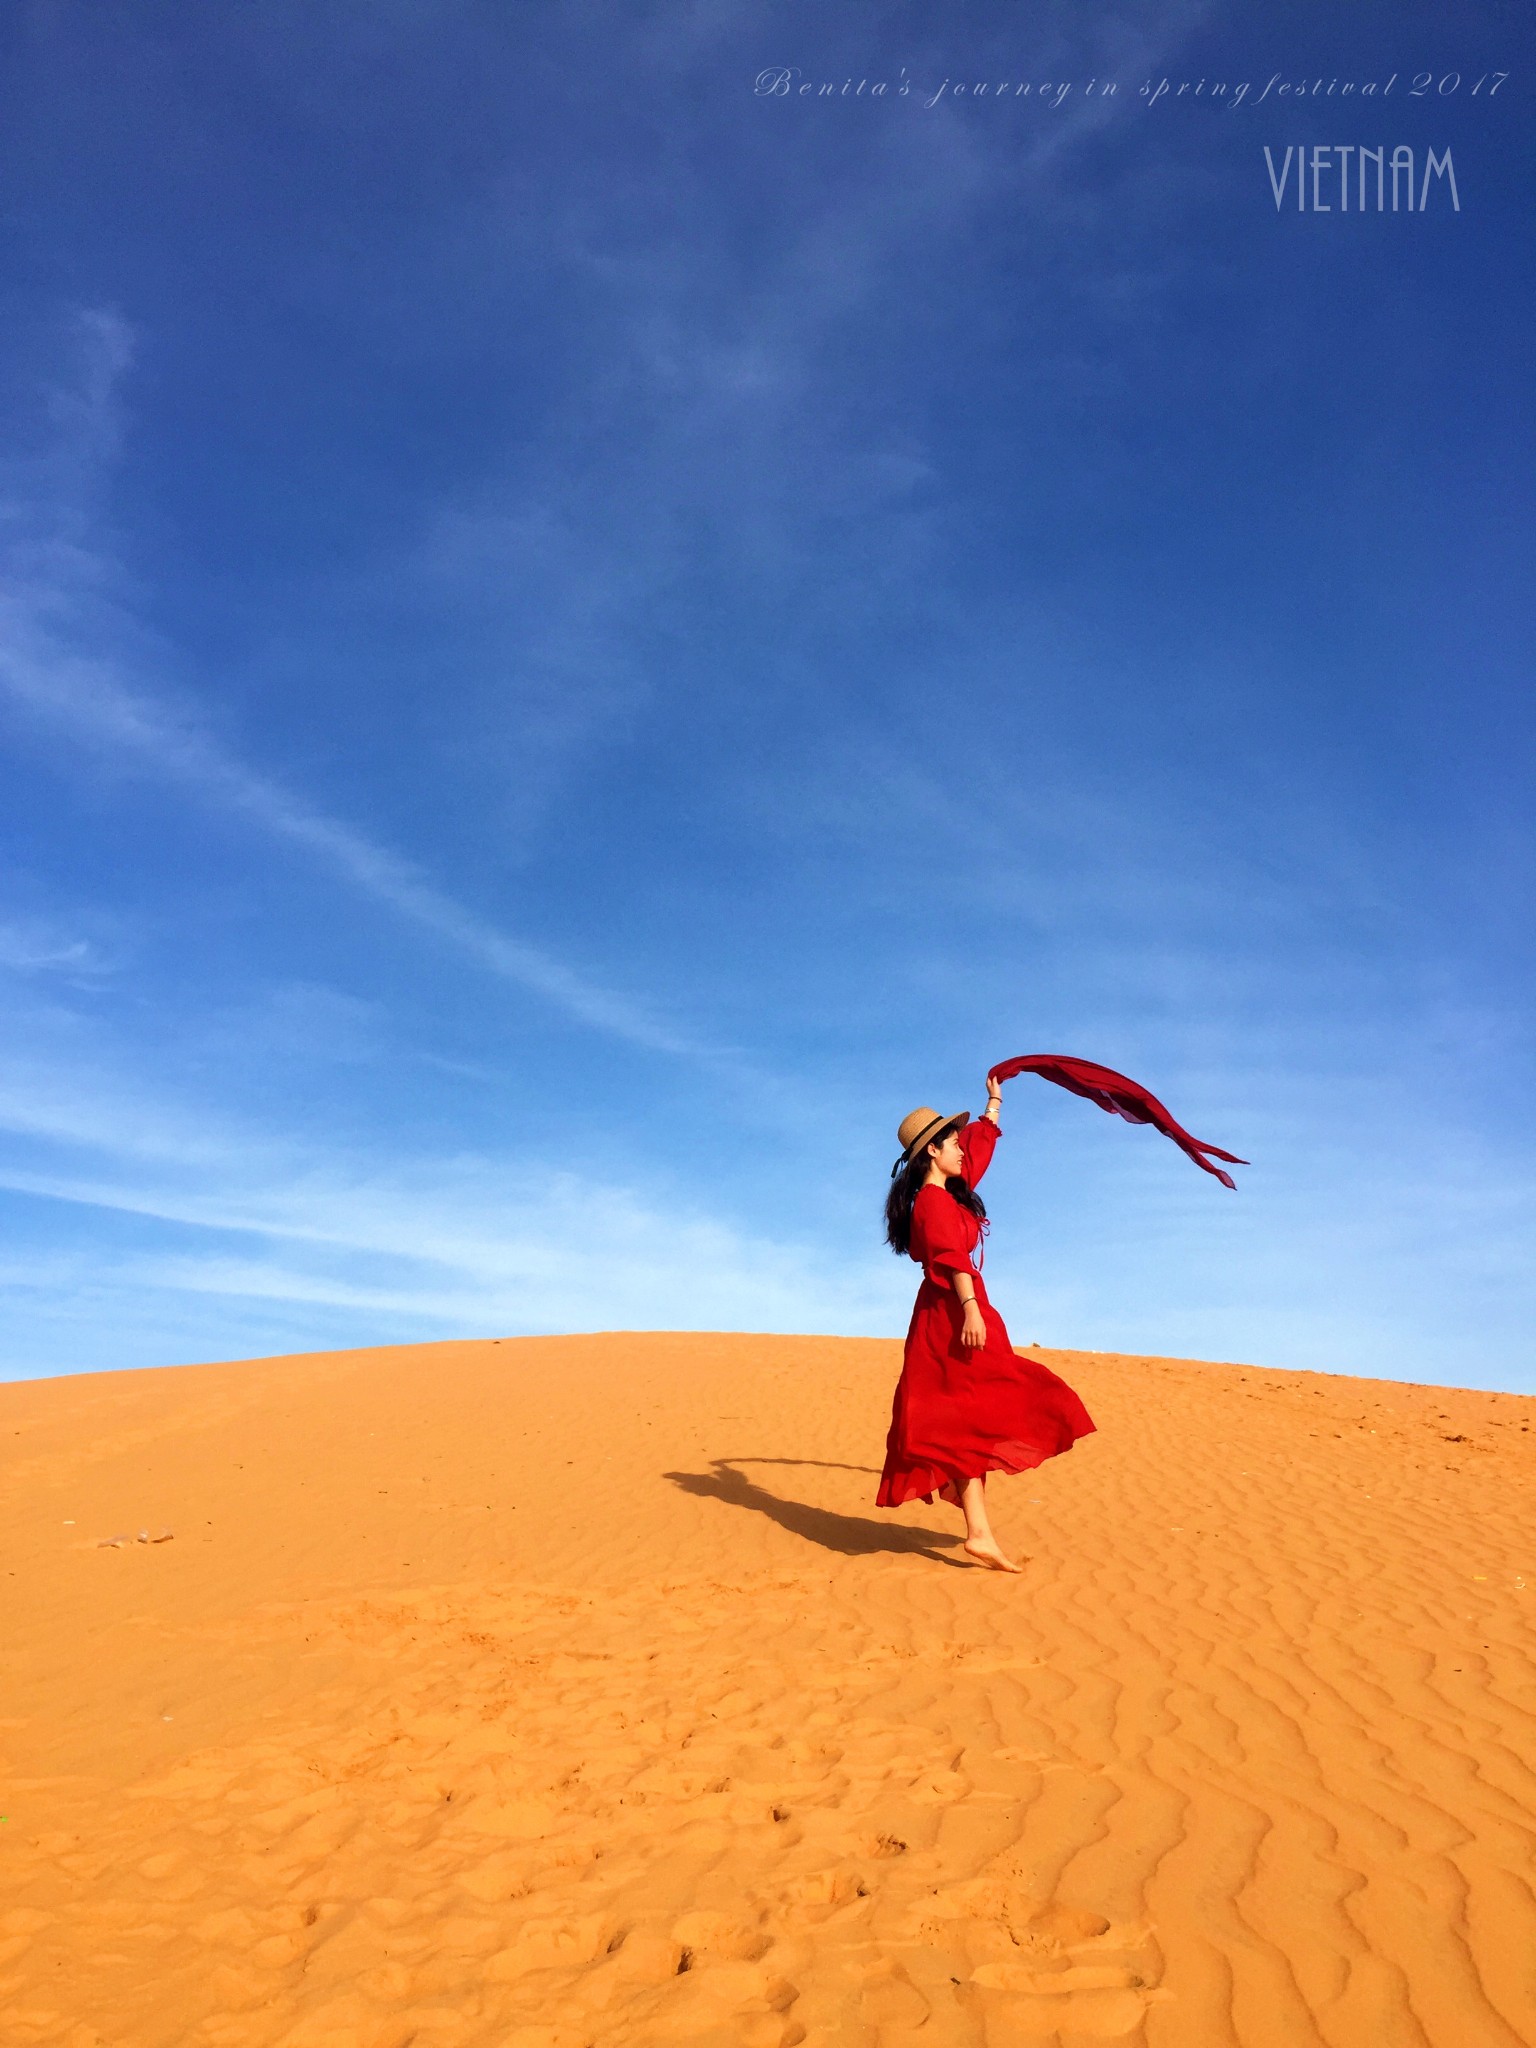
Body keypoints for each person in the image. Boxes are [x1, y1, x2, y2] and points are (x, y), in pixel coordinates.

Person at [877, 1072, 1095, 1571]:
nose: (960, 1150)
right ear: (931, 1152)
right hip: (952, 1313)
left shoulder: (947, 1193)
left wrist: (993, 1105)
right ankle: (979, 1532)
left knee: (965, 1418)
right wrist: (971, 1308)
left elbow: (976, 1157)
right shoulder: (933, 1203)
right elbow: (952, 1257)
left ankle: (979, 1532)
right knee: (994, 1402)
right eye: (951, 1143)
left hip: (952, 1311)